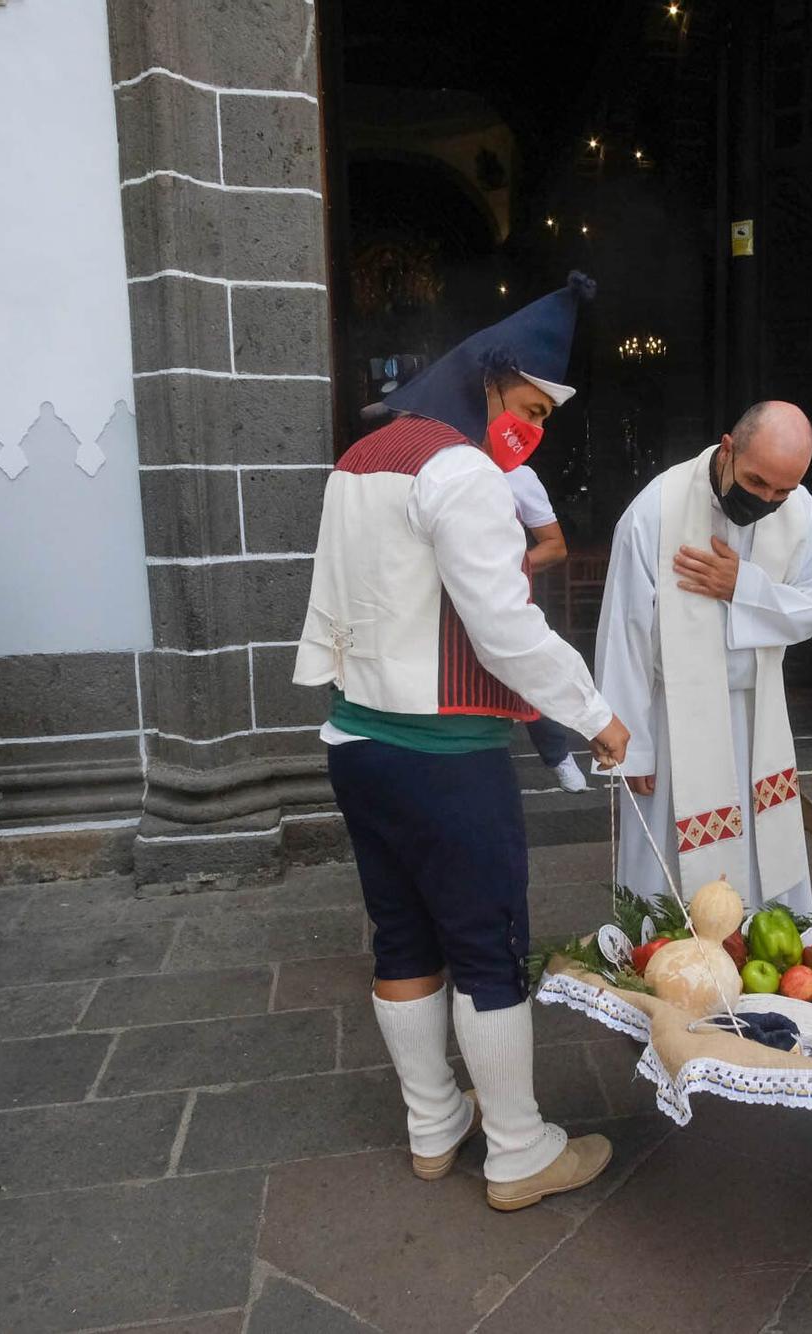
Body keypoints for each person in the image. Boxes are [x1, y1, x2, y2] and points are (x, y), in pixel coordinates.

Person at [293, 274, 631, 1212]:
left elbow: (336, 601)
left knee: (402, 936)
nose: (533, 429)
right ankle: (518, 1150)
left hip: (357, 743)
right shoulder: (464, 473)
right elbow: (506, 626)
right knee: (488, 948)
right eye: (528, 407)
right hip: (446, 759)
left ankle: (434, 1124)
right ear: (489, 379)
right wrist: (595, 714)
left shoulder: (360, 458)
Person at [594, 401, 812, 913]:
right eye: (756, 484)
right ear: (728, 448)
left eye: (782, 491)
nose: (769, 500)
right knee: (671, 857)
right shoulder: (656, 509)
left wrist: (743, 588)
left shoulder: (799, 510)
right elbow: (626, 628)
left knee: (762, 849)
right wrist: (632, 748)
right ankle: (664, 966)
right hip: (673, 721)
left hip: (757, 715)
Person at [506, 462, 588, 794]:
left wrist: (506, 564)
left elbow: (555, 546)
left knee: (530, 676)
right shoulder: (429, 466)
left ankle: (559, 756)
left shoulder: (517, 476)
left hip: (505, 596)